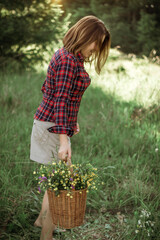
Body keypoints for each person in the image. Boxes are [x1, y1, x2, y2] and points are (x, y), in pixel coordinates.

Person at [30, 15, 111, 240]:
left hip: (54, 125)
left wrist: (71, 122)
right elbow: (60, 100)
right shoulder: (67, 60)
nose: (97, 48)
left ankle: (40, 220)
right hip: (52, 128)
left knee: (56, 180)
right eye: (96, 42)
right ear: (85, 36)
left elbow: (52, 90)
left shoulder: (68, 56)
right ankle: (46, 236)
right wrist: (63, 138)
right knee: (60, 188)